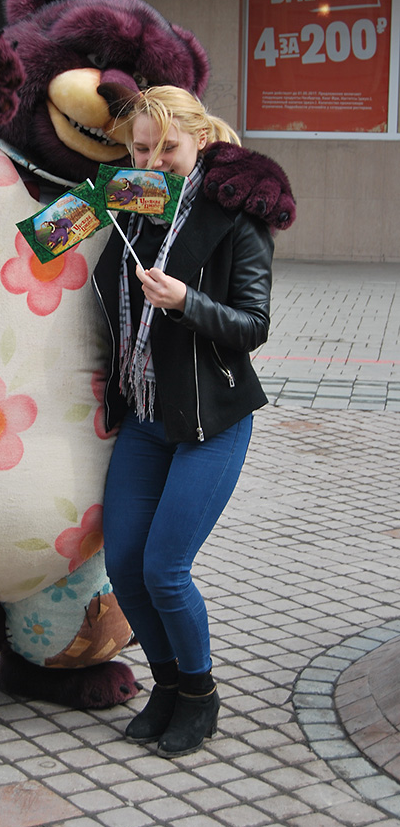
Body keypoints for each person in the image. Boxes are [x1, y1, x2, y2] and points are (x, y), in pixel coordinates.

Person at [93, 85, 286, 758]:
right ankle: (168, 683)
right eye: (139, 149)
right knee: (124, 564)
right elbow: (66, 243)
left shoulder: (235, 215)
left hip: (212, 421)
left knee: (165, 569)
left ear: (200, 140)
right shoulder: (134, 199)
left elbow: (253, 325)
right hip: (145, 415)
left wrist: (185, 302)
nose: (152, 162)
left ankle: (200, 695)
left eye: (166, 148)